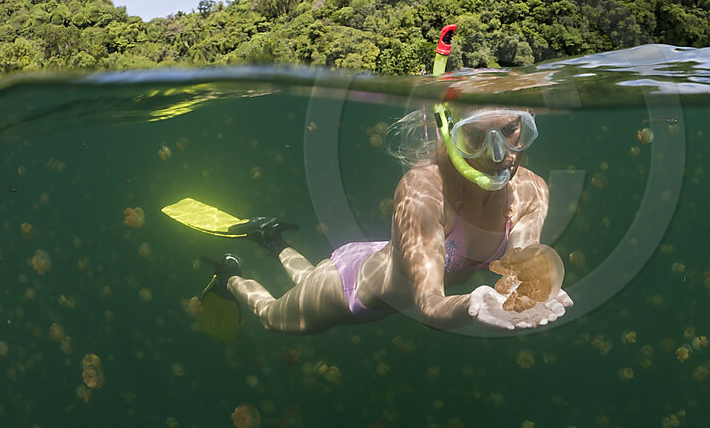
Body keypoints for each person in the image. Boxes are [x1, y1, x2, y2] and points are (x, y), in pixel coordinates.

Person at [215, 104, 573, 333]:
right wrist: (470, 305)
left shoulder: (533, 191)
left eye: (511, 130)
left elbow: (519, 269)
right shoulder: (425, 188)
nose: (498, 155)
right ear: (450, 131)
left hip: (384, 251)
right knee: (271, 317)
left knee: (308, 276)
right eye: (476, 136)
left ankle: (271, 239)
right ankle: (229, 278)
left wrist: (529, 293)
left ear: (528, 123)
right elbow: (429, 303)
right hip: (350, 286)